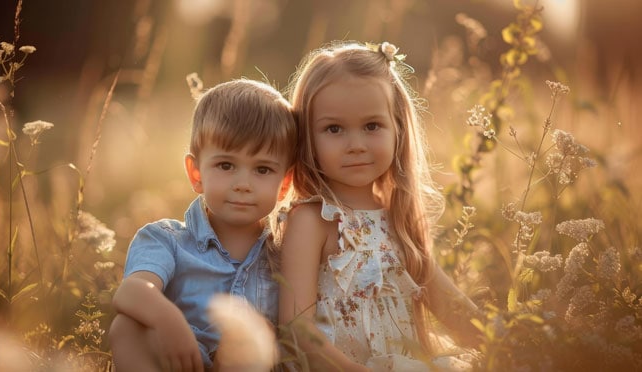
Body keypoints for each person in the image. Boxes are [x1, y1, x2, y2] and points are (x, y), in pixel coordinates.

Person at [278, 41, 481, 371]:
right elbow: (296, 329)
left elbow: (454, 308)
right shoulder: (313, 220)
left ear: (398, 129)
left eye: (372, 126)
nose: (355, 145)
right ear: (306, 138)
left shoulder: (397, 219)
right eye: (334, 129)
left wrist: (512, 344)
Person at [109, 78, 297, 372]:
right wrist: (168, 320)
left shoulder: (287, 251)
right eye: (226, 165)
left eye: (262, 169)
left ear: (284, 183)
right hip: (183, 363)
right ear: (196, 172)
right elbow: (130, 292)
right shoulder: (166, 240)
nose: (243, 184)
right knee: (126, 327)